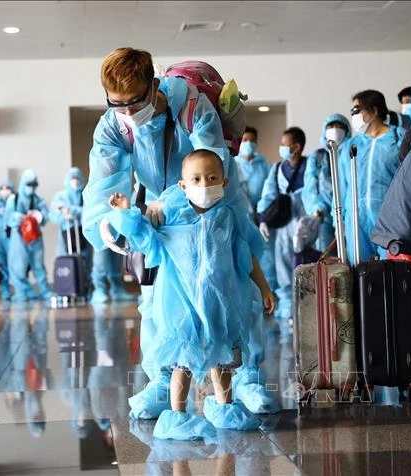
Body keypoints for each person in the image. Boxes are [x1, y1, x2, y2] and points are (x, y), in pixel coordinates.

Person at [82, 47, 277, 418]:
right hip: (161, 221)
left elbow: (214, 160)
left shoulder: (191, 105)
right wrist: (111, 224)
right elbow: (103, 183)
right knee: (159, 302)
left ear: (154, 86)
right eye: (116, 104)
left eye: (134, 102)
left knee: (234, 292)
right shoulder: (113, 126)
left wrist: (173, 203)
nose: (127, 112)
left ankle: (248, 378)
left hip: (214, 204)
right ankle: (162, 381)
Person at [107, 149, 274, 440]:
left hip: (220, 305)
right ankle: (177, 415)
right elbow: (145, 238)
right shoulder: (172, 218)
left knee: (222, 359)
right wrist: (125, 212)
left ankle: (225, 407)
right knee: (182, 362)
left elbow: (247, 257)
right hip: (181, 308)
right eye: (196, 179)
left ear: (224, 182)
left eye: (212, 178)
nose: (205, 184)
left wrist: (264, 287)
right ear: (183, 185)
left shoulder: (229, 219)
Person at [336, 91, 403, 263]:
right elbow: (342, 186)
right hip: (355, 219)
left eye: (356, 110)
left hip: (389, 218)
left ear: (373, 111)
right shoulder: (351, 145)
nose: (353, 116)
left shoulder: (398, 139)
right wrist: (339, 221)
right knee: (359, 269)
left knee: (391, 268)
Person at [257, 127, 307, 339]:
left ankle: (308, 309)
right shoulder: (277, 169)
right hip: (284, 225)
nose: (283, 148)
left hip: (306, 222)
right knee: (284, 266)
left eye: (286, 145)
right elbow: (268, 194)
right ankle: (288, 310)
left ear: (297, 147)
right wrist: (263, 219)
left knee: (307, 265)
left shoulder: (309, 166)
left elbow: (317, 191)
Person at [234, 126, 276, 291]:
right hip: (242, 216)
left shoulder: (264, 165)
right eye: (245, 140)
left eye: (252, 140)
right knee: (244, 255)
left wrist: (263, 214)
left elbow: (271, 189)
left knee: (267, 256)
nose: (248, 143)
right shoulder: (234, 164)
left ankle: (269, 294)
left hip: (263, 217)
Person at [302, 114, 351, 252]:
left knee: (354, 257)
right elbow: (310, 186)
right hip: (324, 216)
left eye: (339, 127)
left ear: (347, 130)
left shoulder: (352, 153)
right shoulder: (318, 156)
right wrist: (317, 208)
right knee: (328, 258)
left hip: (349, 215)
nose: (335, 130)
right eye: (331, 126)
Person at [5, 170, 53, 302]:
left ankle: (44, 290)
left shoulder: (38, 200)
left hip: (35, 236)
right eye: (29, 184)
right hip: (18, 236)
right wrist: (20, 217)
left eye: (34, 185)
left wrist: (38, 216)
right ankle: (21, 292)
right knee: (18, 266)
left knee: (38, 265)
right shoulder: (13, 199)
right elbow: (8, 217)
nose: (31, 188)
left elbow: (46, 216)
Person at [50, 167, 93, 295]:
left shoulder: (86, 195)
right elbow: (53, 213)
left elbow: (90, 211)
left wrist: (70, 210)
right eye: (72, 178)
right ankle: (66, 289)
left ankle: (85, 289)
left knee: (85, 262)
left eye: (78, 178)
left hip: (84, 233)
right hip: (67, 234)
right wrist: (63, 214)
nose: (75, 181)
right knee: (66, 261)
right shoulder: (60, 196)